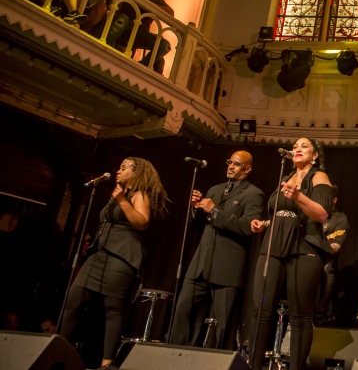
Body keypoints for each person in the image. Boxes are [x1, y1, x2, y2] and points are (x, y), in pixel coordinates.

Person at [60, 158, 169, 370]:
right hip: (99, 255)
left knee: (113, 309)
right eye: (119, 168)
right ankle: (60, 352)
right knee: (72, 302)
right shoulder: (117, 195)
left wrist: (121, 200)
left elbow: (141, 222)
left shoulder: (138, 194)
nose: (118, 171)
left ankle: (107, 364)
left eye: (124, 168)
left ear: (136, 174)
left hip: (122, 257)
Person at [248, 137, 334, 370]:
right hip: (273, 246)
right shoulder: (286, 178)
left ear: (315, 155)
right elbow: (281, 213)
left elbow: (322, 214)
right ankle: (254, 365)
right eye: (295, 146)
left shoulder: (319, 177)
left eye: (304, 146)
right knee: (261, 311)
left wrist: (298, 196)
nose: (297, 149)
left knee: (299, 316)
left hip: (304, 248)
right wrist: (264, 224)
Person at [170, 151, 265, 349]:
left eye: (237, 164)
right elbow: (200, 226)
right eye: (229, 162)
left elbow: (248, 227)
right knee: (183, 309)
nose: (231, 166)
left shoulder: (253, 194)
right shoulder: (215, 189)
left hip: (227, 267)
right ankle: (178, 355)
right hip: (201, 264)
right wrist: (195, 208)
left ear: (247, 169)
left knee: (222, 323)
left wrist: (214, 211)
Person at [115, 0, 173, 73]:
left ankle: (141, 66)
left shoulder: (157, 0)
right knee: (121, 20)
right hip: (125, 27)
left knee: (165, 45)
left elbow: (171, 13)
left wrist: (149, 5)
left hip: (141, 34)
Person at [314, 184, 349, 326]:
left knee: (327, 271)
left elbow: (336, 246)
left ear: (334, 200)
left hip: (326, 262)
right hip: (307, 260)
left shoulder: (340, 219)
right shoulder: (312, 216)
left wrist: (325, 244)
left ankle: (319, 316)